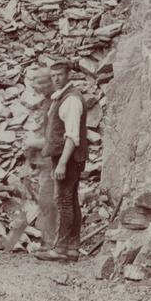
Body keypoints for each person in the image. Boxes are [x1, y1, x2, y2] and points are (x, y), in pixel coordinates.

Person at [32, 64, 92, 263]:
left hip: (68, 158)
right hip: (68, 158)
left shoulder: (71, 100)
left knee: (64, 202)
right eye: (54, 75)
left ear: (69, 75)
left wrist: (62, 163)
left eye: (60, 75)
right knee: (71, 201)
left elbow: (72, 136)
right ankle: (72, 248)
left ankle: (60, 249)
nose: (56, 79)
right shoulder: (63, 97)